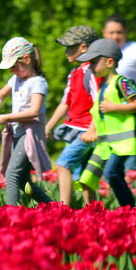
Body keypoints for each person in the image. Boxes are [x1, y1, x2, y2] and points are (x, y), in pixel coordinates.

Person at [76, 38, 136, 208]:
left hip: (122, 143)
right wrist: (91, 131)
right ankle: (101, 212)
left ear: (110, 61)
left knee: (111, 173)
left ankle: (129, 210)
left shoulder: (122, 83)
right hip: (105, 144)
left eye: (93, 62)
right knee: (89, 177)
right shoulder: (103, 87)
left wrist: (114, 107)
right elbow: (97, 115)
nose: (90, 66)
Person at [0, 37, 52, 206]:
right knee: (25, 182)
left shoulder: (38, 82)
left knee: (12, 174)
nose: (12, 71)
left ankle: (11, 214)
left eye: (15, 66)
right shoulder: (16, 79)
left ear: (27, 59)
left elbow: (34, 111)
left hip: (30, 133)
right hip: (18, 132)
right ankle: (53, 208)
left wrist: (6, 117)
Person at [45, 25, 101, 206]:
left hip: (86, 131)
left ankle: (63, 209)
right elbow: (65, 103)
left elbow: (99, 101)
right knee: (85, 177)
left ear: (83, 48)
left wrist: (93, 129)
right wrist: (48, 127)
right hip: (76, 129)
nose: (66, 51)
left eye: (70, 47)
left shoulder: (91, 72)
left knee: (63, 165)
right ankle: (92, 212)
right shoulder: (74, 73)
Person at [102, 14, 136, 171]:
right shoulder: (99, 51)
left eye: (119, 32)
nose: (115, 36)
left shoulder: (134, 49)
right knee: (106, 163)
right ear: (104, 33)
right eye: (111, 32)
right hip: (105, 113)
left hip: (130, 112)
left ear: (125, 33)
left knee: (130, 165)